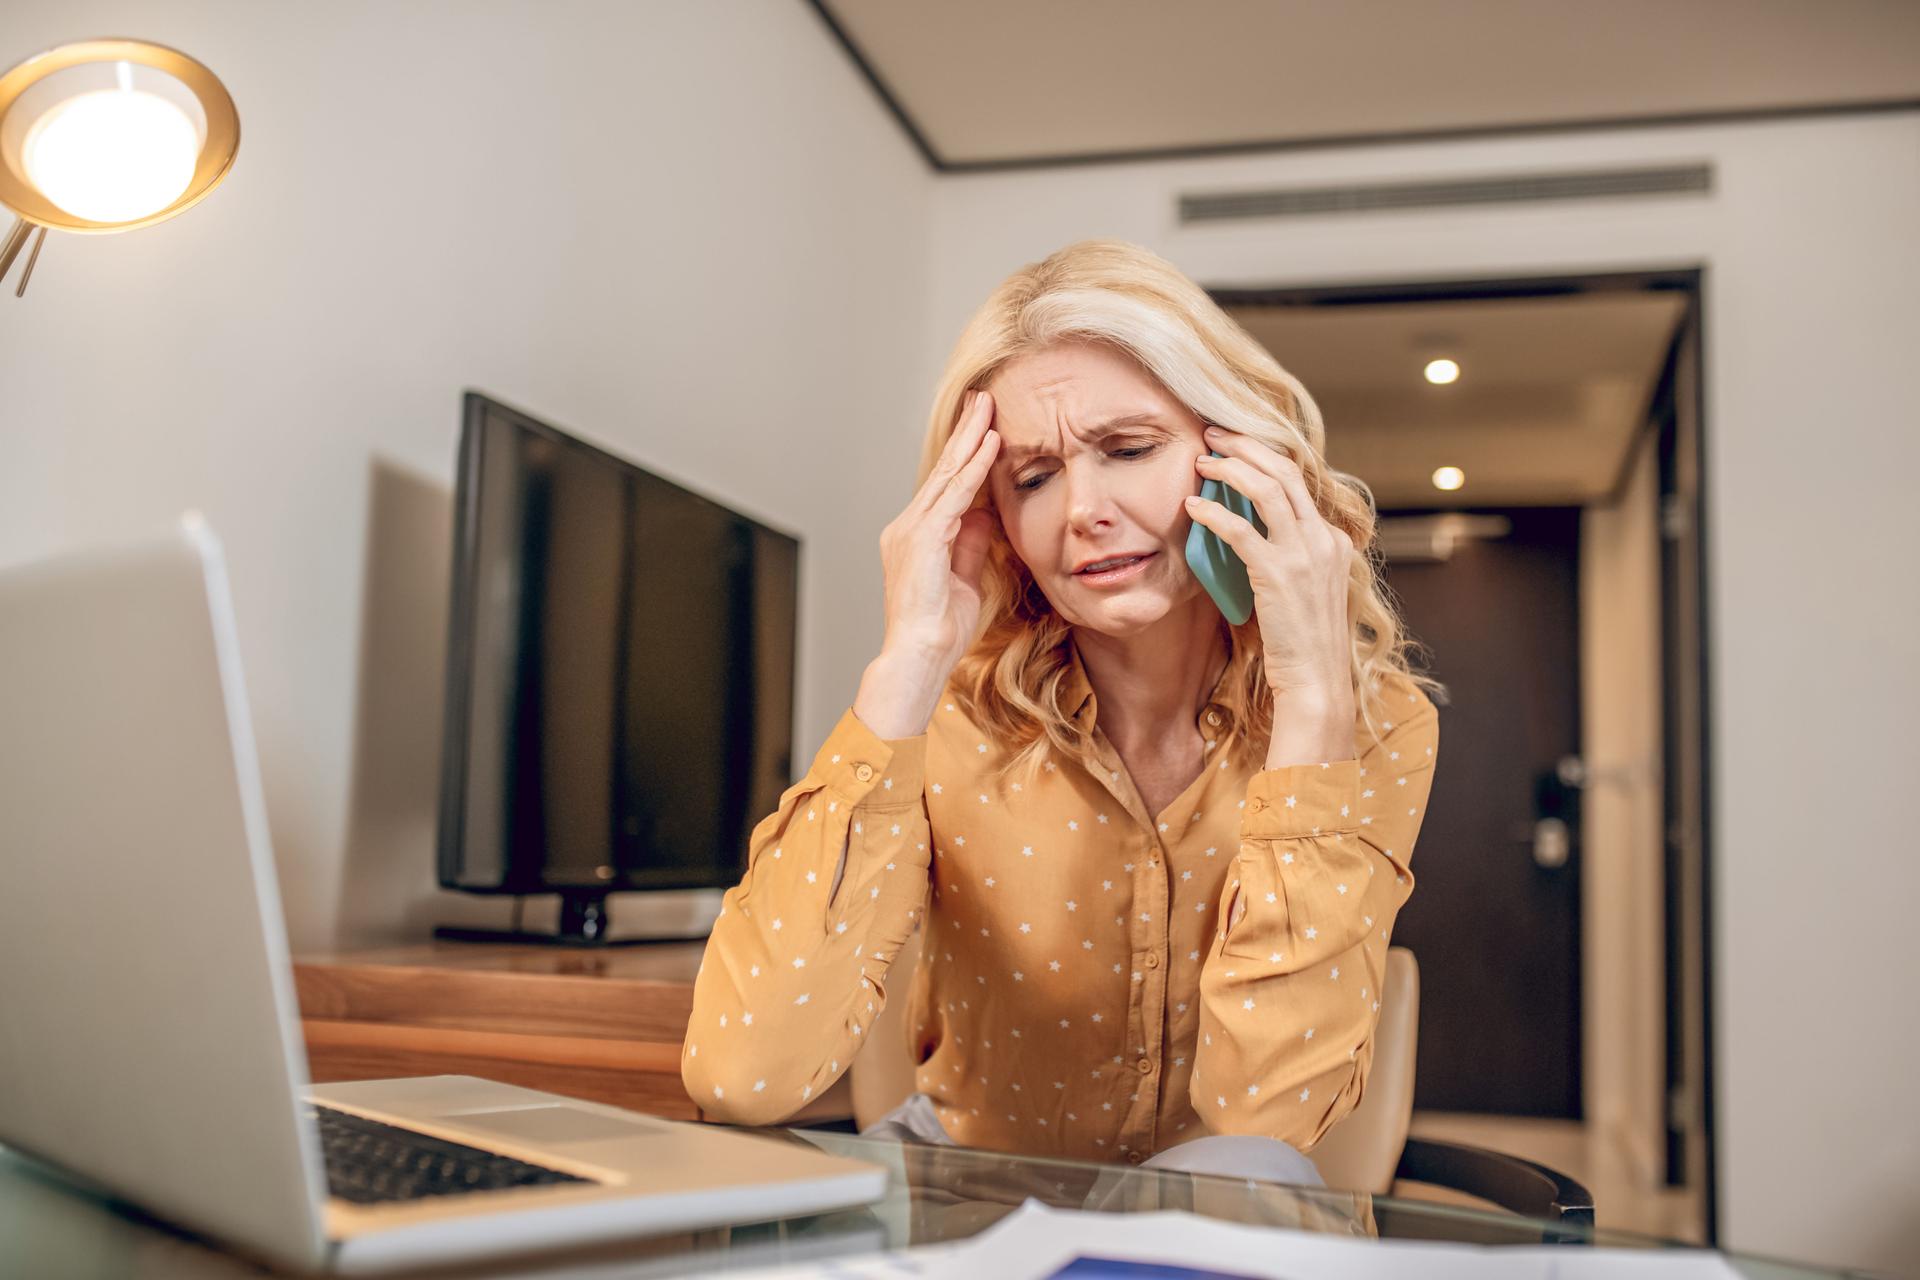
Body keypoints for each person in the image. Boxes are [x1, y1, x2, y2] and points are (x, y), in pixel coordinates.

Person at [684, 239, 1444, 1184]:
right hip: (971, 1211)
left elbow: (1266, 1119)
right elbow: (742, 1076)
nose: (1083, 509)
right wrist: (909, 661)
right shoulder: (950, 718)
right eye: (1034, 477)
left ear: (1239, 459)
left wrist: (1315, 700)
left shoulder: (1374, 724)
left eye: (1127, 450)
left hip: (1214, 1225)